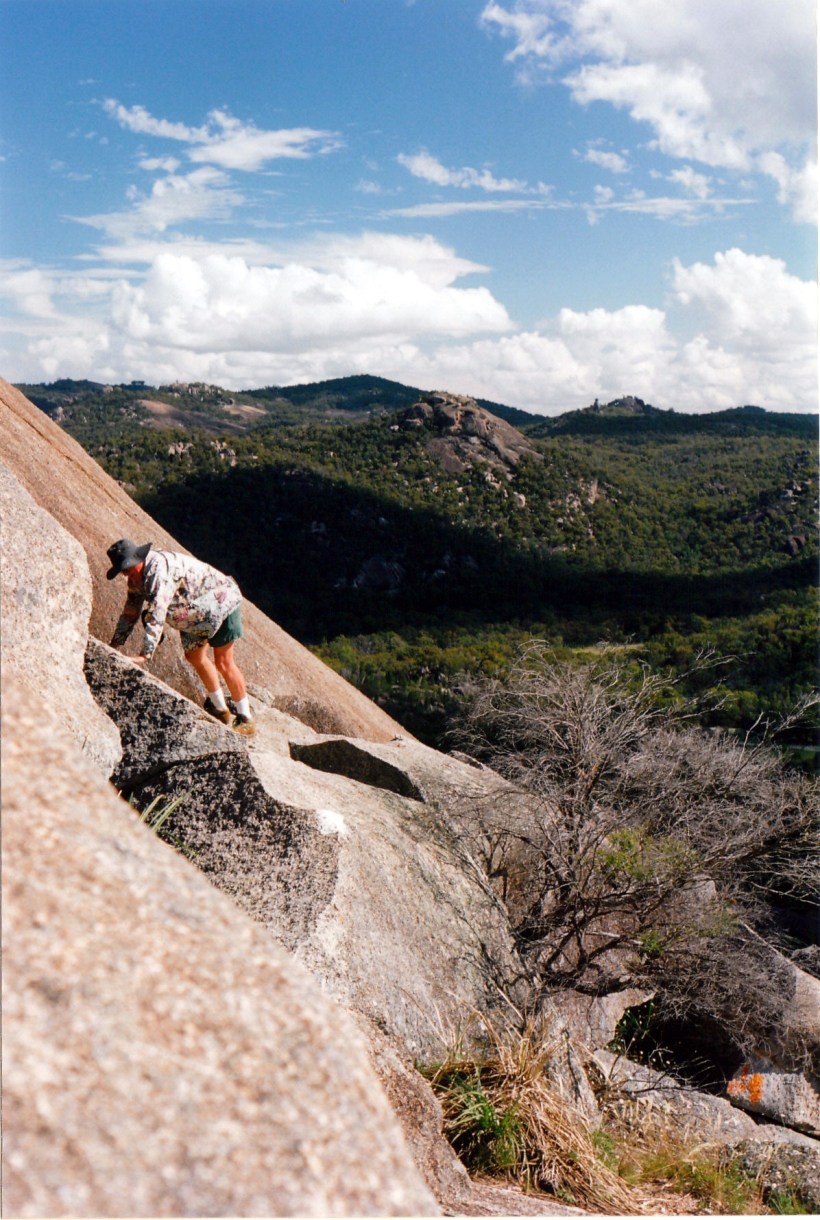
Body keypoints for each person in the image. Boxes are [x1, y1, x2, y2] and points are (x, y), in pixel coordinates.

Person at [106, 539, 255, 735]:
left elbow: (159, 610)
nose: (126, 573)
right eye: (122, 570)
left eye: (127, 568)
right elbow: (131, 611)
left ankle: (246, 718)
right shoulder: (136, 577)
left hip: (221, 601)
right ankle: (221, 709)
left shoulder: (159, 571)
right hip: (195, 610)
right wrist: (115, 644)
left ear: (138, 559)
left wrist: (146, 654)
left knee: (224, 662)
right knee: (194, 657)